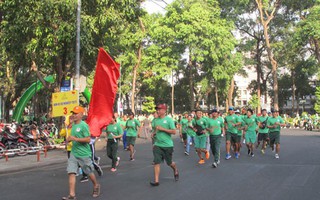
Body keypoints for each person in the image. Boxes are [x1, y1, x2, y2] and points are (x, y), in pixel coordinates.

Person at [62, 106, 100, 200]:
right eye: (73, 113)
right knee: (71, 172)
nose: (74, 115)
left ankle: (96, 185)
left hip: (84, 154)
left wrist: (75, 139)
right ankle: (72, 195)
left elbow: (88, 139)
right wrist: (68, 140)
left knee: (89, 172)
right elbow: (72, 137)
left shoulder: (84, 125)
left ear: (81, 115)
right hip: (74, 153)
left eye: (76, 113)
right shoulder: (73, 125)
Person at [150, 104, 179, 186]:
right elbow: (156, 129)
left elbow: (174, 131)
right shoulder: (155, 120)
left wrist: (163, 129)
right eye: (157, 110)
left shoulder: (169, 120)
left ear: (164, 110)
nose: (157, 111)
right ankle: (156, 181)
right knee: (156, 162)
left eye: (159, 109)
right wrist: (154, 133)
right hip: (157, 145)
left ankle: (175, 169)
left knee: (169, 163)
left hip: (167, 145)